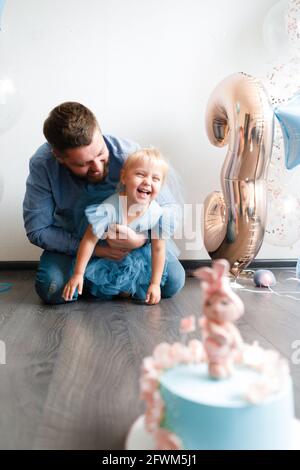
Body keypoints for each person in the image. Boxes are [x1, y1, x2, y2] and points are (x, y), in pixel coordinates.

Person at [23, 102, 185, 304]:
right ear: (59, 157)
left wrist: (140, 239)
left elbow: (169, 209)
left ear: (99, 132)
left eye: (100, 154)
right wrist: (98, 250)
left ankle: (109, 284)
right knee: (52, 288)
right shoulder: (43, 164)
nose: (98, 167)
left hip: (133, 245)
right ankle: (95, 280)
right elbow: (38, 230)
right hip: (76, 239)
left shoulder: (130, 155)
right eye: (83, 164)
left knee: (173, 282)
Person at [63, 148, 175, 304]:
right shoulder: (110, 207)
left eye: (155, 179)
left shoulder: (157, 213)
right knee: (98, 279)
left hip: (138, 255)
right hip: (110, 254)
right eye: (140, 174)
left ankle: (131, 288)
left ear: (161, 186)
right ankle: (106, 287)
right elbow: (89, 240)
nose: (147, 181)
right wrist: (78, 273)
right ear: (124, 177)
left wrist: (155, 284)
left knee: (162, 280)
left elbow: (158, 248)